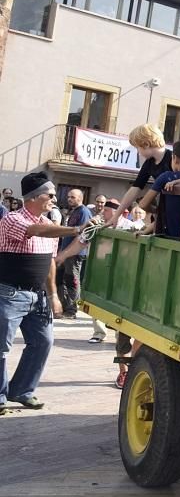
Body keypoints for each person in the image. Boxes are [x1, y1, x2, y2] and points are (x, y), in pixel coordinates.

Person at [0, 173, 85, 413]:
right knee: (1, 347)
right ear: (35, 197)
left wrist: (53, 295)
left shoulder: (50, 226)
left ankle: (22, 391)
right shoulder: (13, 219)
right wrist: (75, 228)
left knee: (43, 342)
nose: (54, 199)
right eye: (50, 195)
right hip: (9, 294)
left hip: (37, 297)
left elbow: (49, 262)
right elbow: (35, 230)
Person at [109, 124, 172, 227]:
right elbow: (135, 188)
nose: (138, 152)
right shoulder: (149, 163)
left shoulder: (172, 158)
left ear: (146, 144)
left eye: (137, 148)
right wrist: (116, 216)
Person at [140, 138, 180, 238]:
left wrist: (156, 210)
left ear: (175, 159)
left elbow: (143, 204)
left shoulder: (166, 177)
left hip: (170, 236)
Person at [57, 189, 92, 320]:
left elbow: (83, 235)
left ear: (80, 198)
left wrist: (69, 251)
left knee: (72, 281)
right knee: (59, 279)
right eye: (68, 196)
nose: (69, 199)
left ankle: (71, 310)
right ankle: (63, 306)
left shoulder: (84, 212)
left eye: (73, 197)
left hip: (75, 253)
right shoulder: (73, 211)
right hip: (65, 252)